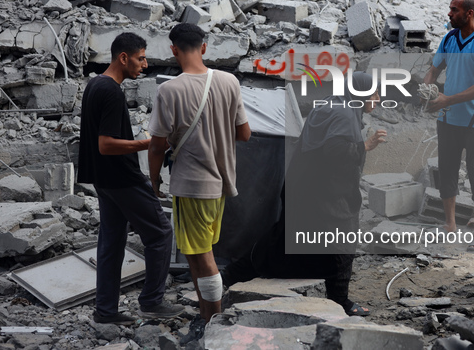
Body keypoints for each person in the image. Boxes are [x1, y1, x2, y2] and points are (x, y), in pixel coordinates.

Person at [221, 72, 386, 316]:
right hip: (322, 193)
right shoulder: (343, 113)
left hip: (302, 187)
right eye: (374, 93)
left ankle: (231, 274)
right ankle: (340, 300)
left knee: (284, 237)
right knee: (342, 240)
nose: (378, 99)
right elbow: (334, 150)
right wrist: (365, 145)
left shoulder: (333, 104)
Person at [147, 23, 251, 328]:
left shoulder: (169, 90)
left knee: (203, 256)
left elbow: (156, 146)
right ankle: (205, 314)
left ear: (174, 50)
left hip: (192, 184)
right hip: (220, 183)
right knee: (195, 253)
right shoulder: (229, 81)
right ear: (204, 48)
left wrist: (154, 180)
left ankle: (213, 321)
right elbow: (244, 134)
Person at [78, 32, 184, 325]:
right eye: (140, 58)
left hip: (103, 180)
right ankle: (151, 302)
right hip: (122, 178)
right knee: (161, 233)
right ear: (123, 58)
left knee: (112, 243)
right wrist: (146, 143)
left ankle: (106, 312)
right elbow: (106, 144)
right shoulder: (111, 91)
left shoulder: (95, 84)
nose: (145, 65)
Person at [422, 0, 474, 250]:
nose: (449, 14)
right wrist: (427, 90)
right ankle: (451, 223)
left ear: (469, 13)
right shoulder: (449, 39)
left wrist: (448, 100)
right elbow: (434, 69)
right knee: (447, 171)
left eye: (454, 10)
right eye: (450, 9)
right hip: (447, 120)